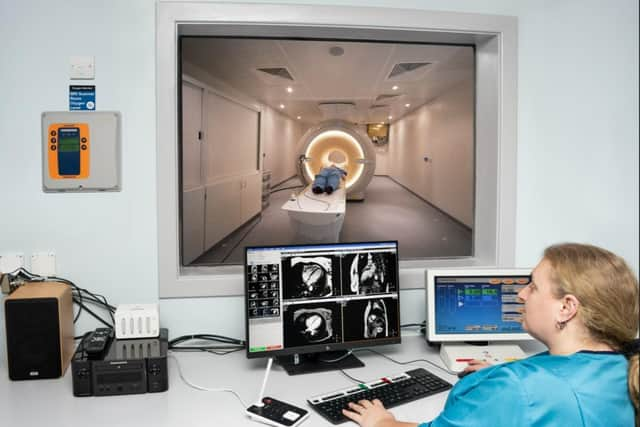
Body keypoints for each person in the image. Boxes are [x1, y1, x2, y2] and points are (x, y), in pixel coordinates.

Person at [342, 243, 640, 427]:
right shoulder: (624, 365)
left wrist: (381, 421)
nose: (522, 294)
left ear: (566, 308)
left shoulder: (517, 388)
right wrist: (502, 372)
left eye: (533, 286)